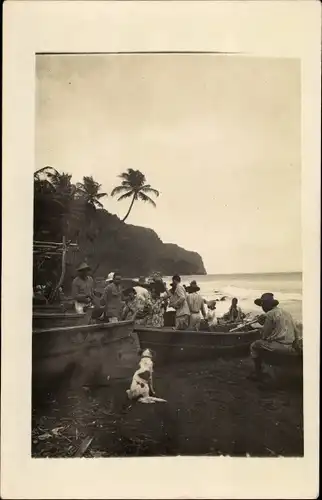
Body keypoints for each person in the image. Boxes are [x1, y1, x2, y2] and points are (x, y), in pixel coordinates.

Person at [248, 292, 302, 381]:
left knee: (254, 345)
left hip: (279, 346)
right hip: (290, 345)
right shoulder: (286, 313)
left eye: (263, 305)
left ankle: (258, 373)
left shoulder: (269, 314)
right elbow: (296, 331)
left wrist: (261, 326)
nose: (262, 307)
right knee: (264, 343)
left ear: (267, 305)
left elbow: (265, 335)